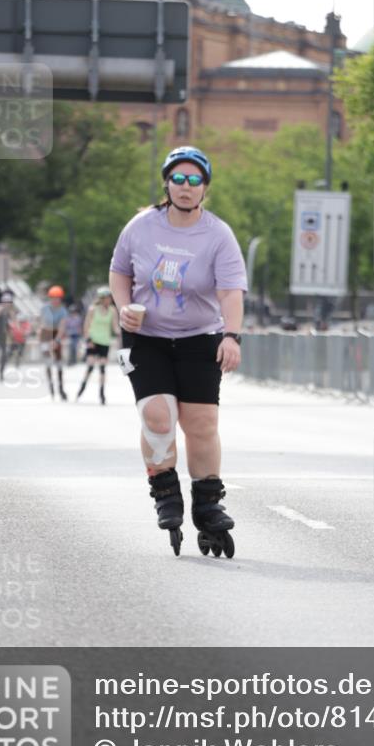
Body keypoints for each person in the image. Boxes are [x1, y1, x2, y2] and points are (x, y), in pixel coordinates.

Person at [109, 146, 247, 558]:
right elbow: (119, 272)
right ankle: (166, 491)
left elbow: (230, 290)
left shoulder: (218, 234)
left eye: (195, 181)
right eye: (179, 179)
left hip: (199, 337)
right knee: (157, 415)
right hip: (146, 337)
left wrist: (231, 336)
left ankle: (208, 505)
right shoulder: (140, 226)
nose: (186, 188)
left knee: (201, 423)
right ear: (167, 184)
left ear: (205, 188)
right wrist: (123, 308)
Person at [76, 286, 118, 405]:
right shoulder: (93, 309)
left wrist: (121, 332)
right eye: (106, 298)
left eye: (109, 298)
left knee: (103, 369)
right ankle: (82, 388)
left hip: (105, 341)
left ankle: (102, 393)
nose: (108, 300)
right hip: (93, 340)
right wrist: (88, 339)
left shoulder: (112, 310)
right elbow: (86, 325)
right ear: (101, 299)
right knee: (90, 366)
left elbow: (115, 326)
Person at [39, 285, 68, 400]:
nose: (55, 300)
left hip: (56, 333)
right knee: (47, 361)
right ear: (50, 298)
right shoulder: (44, 309)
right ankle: (51, 387)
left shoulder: (63, 311)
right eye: (53, 298)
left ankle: (60, 388)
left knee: (59, 361)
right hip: (45, 333)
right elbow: (42, 323)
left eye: (58, 298)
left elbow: (62, 327)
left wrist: (56, 340)